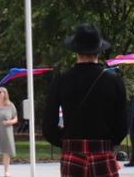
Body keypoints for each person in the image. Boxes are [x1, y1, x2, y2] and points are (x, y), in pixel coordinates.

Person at [42, 23, 127, 177]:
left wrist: (66, 143)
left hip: (72, 152)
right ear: (100, 50)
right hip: (103, 151)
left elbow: (48, 125)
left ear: (75, 50)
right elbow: (121, 125)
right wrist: (108, 142)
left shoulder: (61, 80)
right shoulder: (114, 81)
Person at [0, 87, 18, 177]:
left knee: (6, 151)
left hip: (6, 131)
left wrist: (9, 122)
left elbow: (15, 118)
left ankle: (6, 172)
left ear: (4, 94)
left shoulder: (10, 105)